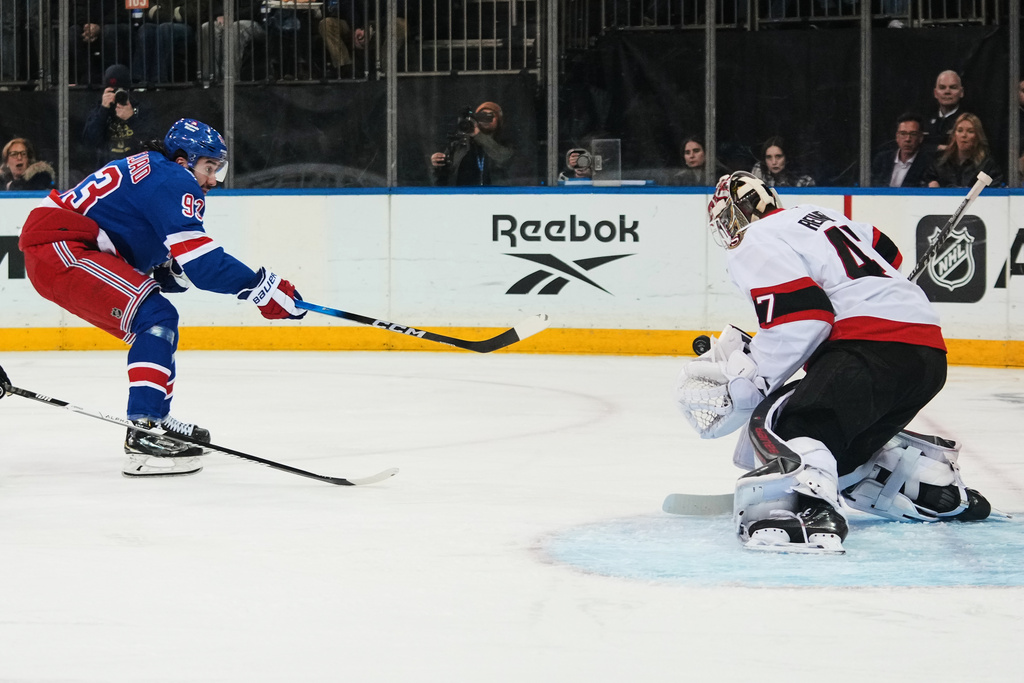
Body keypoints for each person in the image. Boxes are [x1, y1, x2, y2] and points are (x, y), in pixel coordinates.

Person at [677, 170, 992, 554]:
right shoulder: (820, 215)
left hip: (868, 347)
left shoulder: (753, 239)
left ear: (738, 214)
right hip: (927, 354)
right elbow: (886, 249)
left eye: (727, 218)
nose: (728, 229)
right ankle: (931, 487)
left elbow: (802, 318)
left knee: (794, 427)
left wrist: (752, 379)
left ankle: (811, 512)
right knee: (839, 455)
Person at [18, 118, 306, 478]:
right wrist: (264, 288)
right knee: (155, 316)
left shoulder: (155, 170)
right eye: (209, 167)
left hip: (61, 247)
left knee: (157, 318)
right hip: (61, 247)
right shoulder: (174, 178)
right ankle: (143, 431)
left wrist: (170, 270)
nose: (213, 179)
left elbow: (152, 253)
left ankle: (156, 418)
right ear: (184, 160)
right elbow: (203, 265)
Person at [81, 64, 155, 167]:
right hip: (108, 168)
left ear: (128, 90)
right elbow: (89, 142)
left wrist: (132, 118)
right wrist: (103, 110)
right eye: (113, 91)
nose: (117, 94)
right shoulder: (98, 109)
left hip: (135, 168)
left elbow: (152, 141)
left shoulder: (141, 108)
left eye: (121, 90)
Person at [430, 102, 514, 186]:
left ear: (499, 120)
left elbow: (503, 158)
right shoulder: (459, 145)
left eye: (490, 116)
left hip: (494, 192)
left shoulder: (505, 143)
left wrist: (478, 135)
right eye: (481, 116)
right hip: (462, 192)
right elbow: (443, 177)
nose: (485, 119)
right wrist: (437, 164)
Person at [318, 0, 408, 77]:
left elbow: (399, 8)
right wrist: (356, 27)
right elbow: (347, 4)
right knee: (326, 24)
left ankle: (386, 69)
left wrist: (372, 27)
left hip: (383, 23)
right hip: (354, 22)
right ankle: (345, 69)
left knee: (401, 25)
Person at [923, 112, 1003, 188]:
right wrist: (931, 184)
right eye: (960, 130)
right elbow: (924, 182)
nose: (964, 135)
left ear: (978, 136)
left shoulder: (987, 165)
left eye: (970, 131)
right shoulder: (940, 163)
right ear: (954, 135)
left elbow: (996, 189)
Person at [198, 1, 266, 82]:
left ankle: (230, 79)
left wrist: (232, 17)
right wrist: (220, 15)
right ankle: (210, 78)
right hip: (230, 19)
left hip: (255, 21)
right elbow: (217, 5)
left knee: (235, 29)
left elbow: (257, 8)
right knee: (207, 27)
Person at [70, 0, 134, 85]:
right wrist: (88, 27)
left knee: (109, 31)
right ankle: (87, 77)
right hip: (88, 26)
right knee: (73, 32)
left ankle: (111, 77)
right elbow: (76, 11)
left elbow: (122, 12)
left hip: (115, 25)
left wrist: (100, 26)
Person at [871, 113, 934, 187]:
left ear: (920, 138)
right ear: (897, 137)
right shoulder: (882, 159)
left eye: (913, 134)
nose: (907, 139)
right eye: (903, 133)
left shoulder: (928, 164)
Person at [924, 70, 964, 154]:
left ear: (961, 92)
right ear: (935, 93)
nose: (947, 92)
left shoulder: (967, 121)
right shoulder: (924, 120)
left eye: (953, 87)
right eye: (942, 88)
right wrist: (937, 148)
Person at [751, 136, 815, 187]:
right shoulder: (759, 171)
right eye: (769, 157)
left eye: (778, 156)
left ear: (786, 157)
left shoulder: (804, 181)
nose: (774, 162)